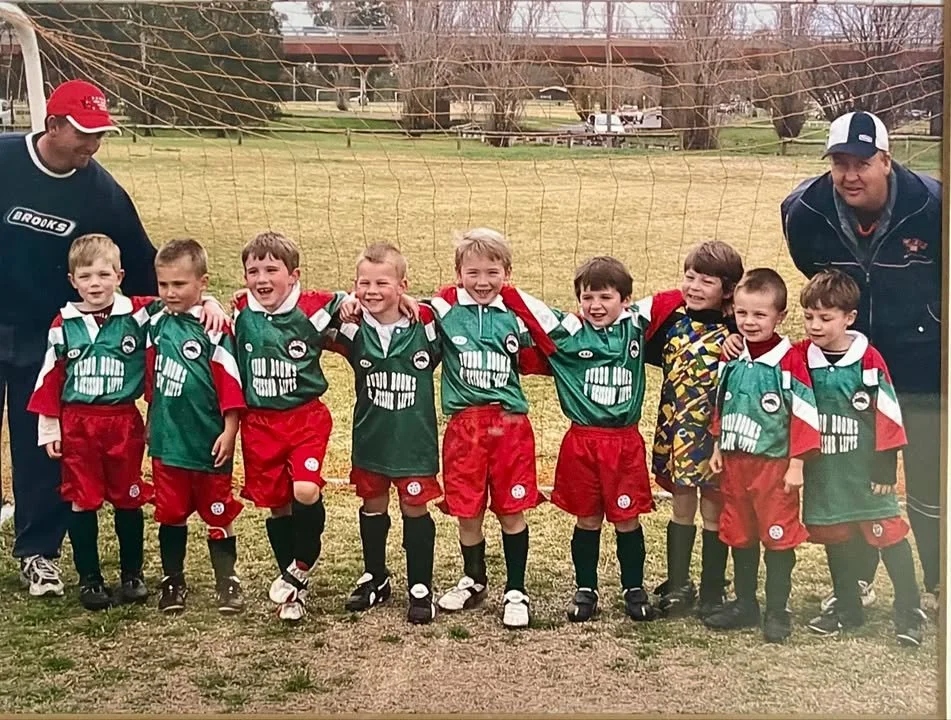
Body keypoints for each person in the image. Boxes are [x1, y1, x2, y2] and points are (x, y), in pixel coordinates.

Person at [0, 79, 158, 597]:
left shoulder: (101, 192)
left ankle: (38, 554)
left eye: (100, 134)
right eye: (84, 133)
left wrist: (188, 304)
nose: (93, 144)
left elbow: (141, 263)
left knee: (42, 447)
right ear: (53, 125)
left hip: (44, 337)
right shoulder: (5, 160)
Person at [782, 111, 942, 610]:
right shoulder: (804, 211)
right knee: (853, 472)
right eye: (840, 163)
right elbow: (819, 281)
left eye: (863, 162)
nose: (850, 174)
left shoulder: (933, 204)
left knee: (928, 475)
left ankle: (937, 584)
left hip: (922, 362)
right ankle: (856, 583)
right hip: (850, 366)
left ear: (886, 161)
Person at [26, 234, 225, 610]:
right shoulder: (63, 322)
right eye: (86, 276)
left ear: (119, 277)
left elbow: (181, 302)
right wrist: (49, 426)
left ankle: (132, 575)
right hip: (79, 424)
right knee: (83, 500)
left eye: (104, 275)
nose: (95, 284)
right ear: (72, 281)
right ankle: (90, 579)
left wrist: (211, 301)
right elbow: (50, 376)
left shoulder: (138, 313)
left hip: (122, 422)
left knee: (128, 497)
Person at [500, 257, 683, 623]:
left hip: (624, 443)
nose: (596, 306)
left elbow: (675, 296)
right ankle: (586, 589)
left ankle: (634, 588)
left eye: (605, 297)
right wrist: (494, 286)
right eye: (588, 297)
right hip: (582, 442)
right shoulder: (568, 332)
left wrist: (726, 303)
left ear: (625, 300)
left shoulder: (635, 325)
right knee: (587, 519)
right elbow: (526, 305)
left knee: (627, 518)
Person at [796, 270, 924, 647]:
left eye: (825, 318)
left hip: (867, 472)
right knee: (836, 536)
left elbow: (888, 412)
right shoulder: (800, 356)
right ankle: (847, 607)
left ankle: (909, 610)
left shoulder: (868, 359)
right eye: (809, 317)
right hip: (826, 471)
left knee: (888, 536)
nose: (815, 326)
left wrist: (885, 464)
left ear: (849, 318)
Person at [427, 228, 545, 629]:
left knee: (511, 510)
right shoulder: (444, 310)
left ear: (506, 273)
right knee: (467, 510)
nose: (482, 282)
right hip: (465, 427)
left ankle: (516, 589)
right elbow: (411, 310)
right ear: (458, 274)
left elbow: (537, 355)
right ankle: (474, 579)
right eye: (472, 273)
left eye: (492, 273)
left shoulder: (515, 316)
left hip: (509, 425)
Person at [232, 232, 346, 622]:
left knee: (305, 489)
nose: (262, 279)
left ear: (293, 276)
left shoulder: (312, 308)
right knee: (278, 505)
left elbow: (344, 300)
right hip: (259, 423)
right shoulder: (240, 312)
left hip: (304, 418)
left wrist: (349, 305)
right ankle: (293, 588)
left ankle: (303, 560)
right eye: (253, 271)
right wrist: (213, 303)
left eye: (271, 270)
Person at [327, 242, 442, 625]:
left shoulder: (426, 326)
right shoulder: (352, 328)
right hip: (371, 439)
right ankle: (376, 576)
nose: (372, 291)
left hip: (414, 442)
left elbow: (457, 305)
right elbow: (305, 316)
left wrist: (419, 303)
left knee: (415, 508)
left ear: (402, 286)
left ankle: (420, 586)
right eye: (364, 283)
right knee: (372, 505)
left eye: (382, 283)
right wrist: (342, 300)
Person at [705, 269, 820, 644]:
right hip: (735, 464)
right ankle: (745, 604)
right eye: (742, 313)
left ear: (779, 316)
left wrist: (797, 463)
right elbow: (722, 402)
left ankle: (777, 610)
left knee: (777, 536)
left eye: (760, 314)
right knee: (740, 534)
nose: (750, 322)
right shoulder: (732, 357)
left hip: (774, 468)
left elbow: (804, 413)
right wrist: (719, 445)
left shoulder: (790, 361)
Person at [146, 239, 245, 614]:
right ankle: (173, 580)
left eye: (180, 284)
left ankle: (227, 580)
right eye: (164, 284)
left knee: (218, 512)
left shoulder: (214, 329)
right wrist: (150, 422)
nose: (170, 292)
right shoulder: (154, 321)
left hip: (208, 442)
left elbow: (230, 381)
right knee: (171, 513)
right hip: (167, 442)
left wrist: (230, 430)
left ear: (202, 282)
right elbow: (112, 301)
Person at [649, 241, 744, 620]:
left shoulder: (735, 336)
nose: (694, 287)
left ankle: (712, 586)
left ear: (728, 289)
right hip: (677, 434)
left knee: (713, 510)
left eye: (707, 281)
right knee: (681, 505)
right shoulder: (671, 324)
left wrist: (735, 327)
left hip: (714, 439)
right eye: (689, 277)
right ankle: (678, 582)